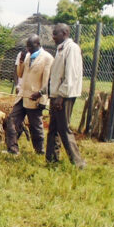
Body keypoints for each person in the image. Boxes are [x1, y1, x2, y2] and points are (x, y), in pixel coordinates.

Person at [31, 23, 85, 168]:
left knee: (63, 129)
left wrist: (61, 96)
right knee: (53, 129)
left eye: (55, 34)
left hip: (64, 97)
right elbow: (55, 78)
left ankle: (78, 163)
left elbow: (71, 75)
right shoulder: (61, 49)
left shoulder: (72, 49)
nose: (53, 37)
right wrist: (41, 92)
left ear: (65, 33)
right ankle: (51, 160)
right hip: (57, 96)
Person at [4, 35, 53, 155]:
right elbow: (20, 74)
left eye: (30, 46)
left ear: (38, 44)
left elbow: (47, 81)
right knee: (12, 121)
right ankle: (12, 149)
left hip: (34, 98)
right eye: (27, 46)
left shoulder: (47, 58)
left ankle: (39, 151)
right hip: (22, 96)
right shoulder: (27, 56)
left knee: (35, 126)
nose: (28, 49)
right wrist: (21, 61)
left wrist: (43, 99)